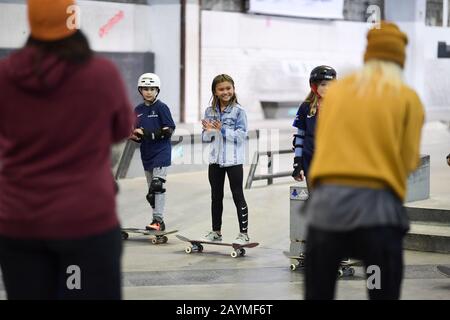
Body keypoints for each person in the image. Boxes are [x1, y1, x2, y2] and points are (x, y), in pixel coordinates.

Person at [0, 0, 133, 299]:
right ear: (74, 21)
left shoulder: (5, 75)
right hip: (84, 222)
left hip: (20, 223)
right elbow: (122, 129)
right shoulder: (101, 74)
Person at [304, 21, 424, 300]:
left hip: (326, 211)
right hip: (377, 216)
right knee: (379, 290)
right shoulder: (407, 98)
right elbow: (409, 161)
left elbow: (324, 144)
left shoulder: (338, 93)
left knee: (319, 293)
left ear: (367, 55)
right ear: (400, 58)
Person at [201, 74, 249, 245]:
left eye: (228, 88)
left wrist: (222, 130)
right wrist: (206, 131)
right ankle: (216, 231)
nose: (225, 92)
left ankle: (243, 234)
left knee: (237, 195)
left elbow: (242, 136)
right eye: (221, 89)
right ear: (215, 91)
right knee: (216, 196)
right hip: (215, 160)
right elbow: (205, 139)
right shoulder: (209, 111)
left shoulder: (239, 111)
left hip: (233, 161)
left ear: (233, 89)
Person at [130, 73, 176, 231]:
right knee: (151, 192)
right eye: (145, 89)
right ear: (140, 90)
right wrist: (134, 137)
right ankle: (155, 214)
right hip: (147, 154)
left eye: (152, 89)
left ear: (157, 90)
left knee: (157, 185)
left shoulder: (162, 108)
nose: (148, 92)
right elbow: (140, 136)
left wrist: (147, 134)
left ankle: (158, 221)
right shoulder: (138, 110)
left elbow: (168, 131)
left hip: (161, 152)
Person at [292, 65, 337, 187]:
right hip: (311, 162)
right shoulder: (306, 107)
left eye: (330, 84)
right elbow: (299, 138)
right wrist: (298, 163)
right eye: (322, 84)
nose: (326, 88)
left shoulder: (340, 107)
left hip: (334, 164)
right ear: (314, 86)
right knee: (316, 202)